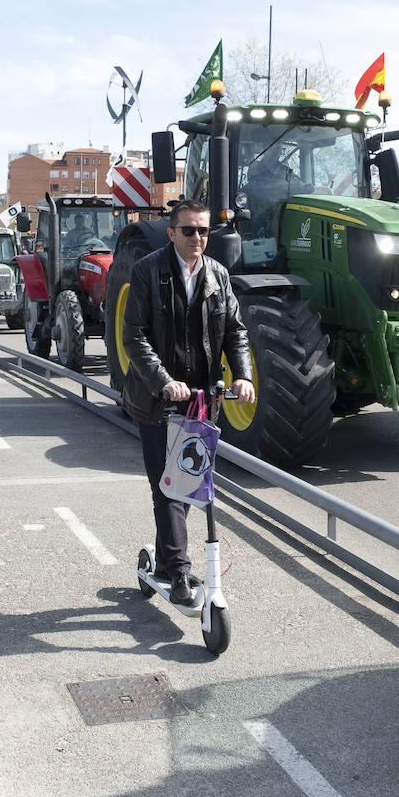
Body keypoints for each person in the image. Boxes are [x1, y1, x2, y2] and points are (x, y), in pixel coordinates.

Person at [121, 201, 255, 607]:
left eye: (203, 231)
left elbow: (235, 331)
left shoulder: (218, 275)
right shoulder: (147, 271)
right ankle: (179, 570)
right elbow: (135, 336)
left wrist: (244, 375)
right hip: (157, 400)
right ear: (171, 233)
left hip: (201, 401)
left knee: (189, 485)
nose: (197, 239)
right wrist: (164, 382)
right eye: (188, 231)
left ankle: (164, 561)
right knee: (168, 488)